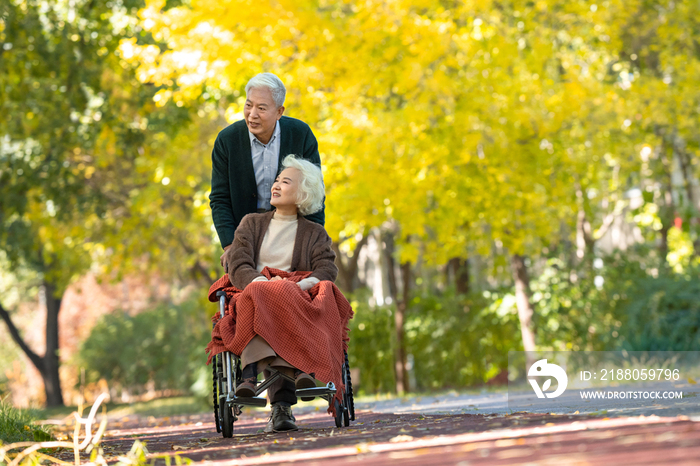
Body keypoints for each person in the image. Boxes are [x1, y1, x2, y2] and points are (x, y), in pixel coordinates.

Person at [219, 155, 339, 433]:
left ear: (303, 193)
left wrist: (303, 285)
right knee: (264, 291)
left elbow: (326, 268)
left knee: (284, 292)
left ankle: (252, 379)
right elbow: (238, 263)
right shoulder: (251, 223)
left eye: (285, 181)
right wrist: (262, 281)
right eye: (276, 180)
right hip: (254, 292)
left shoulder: (315, 233)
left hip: (296, 296)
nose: (276, 185)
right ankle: (296, 372)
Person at [209, 72, 325, 272]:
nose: (252, 114)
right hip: (245, 237)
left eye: (261, 108)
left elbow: (314, 193)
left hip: (291, 232)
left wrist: (312, 241)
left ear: (279, 112)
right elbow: (220, 199)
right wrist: (230, 245)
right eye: (248, 105)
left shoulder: (300, 134)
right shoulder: (227, 141)